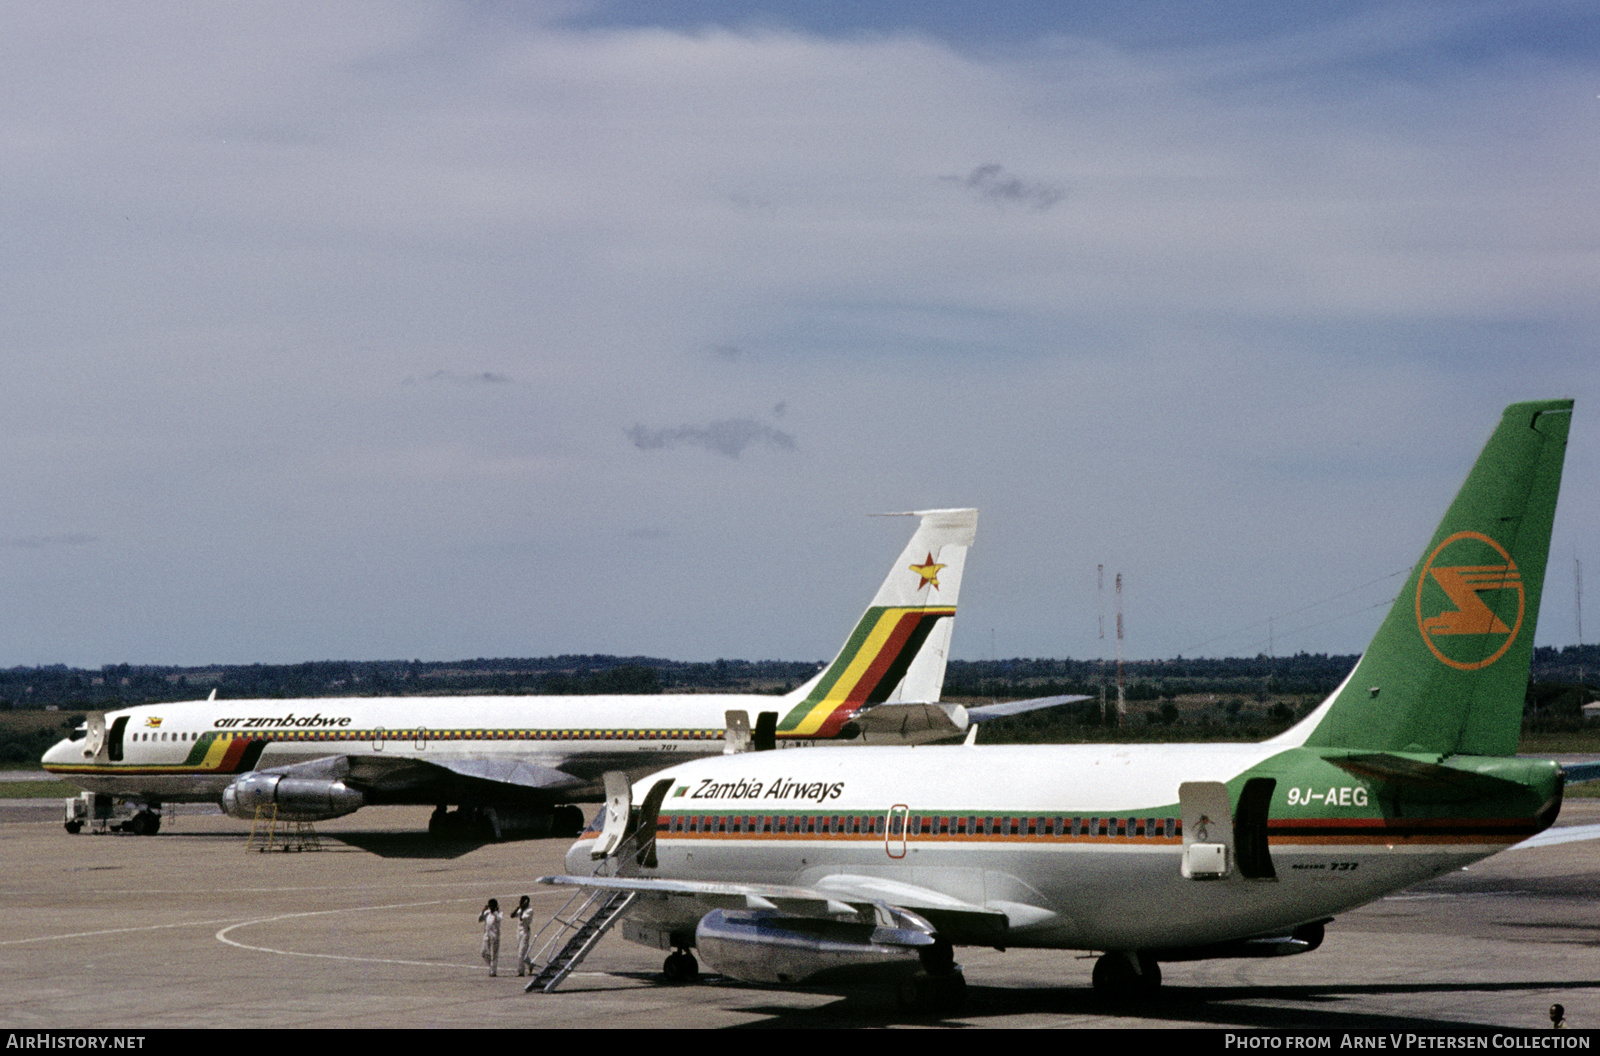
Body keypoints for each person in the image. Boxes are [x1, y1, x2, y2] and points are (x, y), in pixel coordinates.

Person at [478, 898, 502, 977]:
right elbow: (480, 919)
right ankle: (492, 966)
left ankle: (493, 971)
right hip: (487, 935)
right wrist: (483, 911)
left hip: (495, 936)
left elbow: (499, 919)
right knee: (484, 952)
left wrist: (495, 912)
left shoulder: (499, 913)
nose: (490, 907)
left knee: (494, 954)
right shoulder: (487, 913)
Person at [513, 895, 535, 977]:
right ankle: (530, 964)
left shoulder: (529, 910)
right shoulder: (520, 909)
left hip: (525, 932)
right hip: (519, 932)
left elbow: (522, 918)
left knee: (521, 953)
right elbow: (512, 915)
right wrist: (518, 907)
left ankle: (521, 971)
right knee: (522, 952)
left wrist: (521, 909)